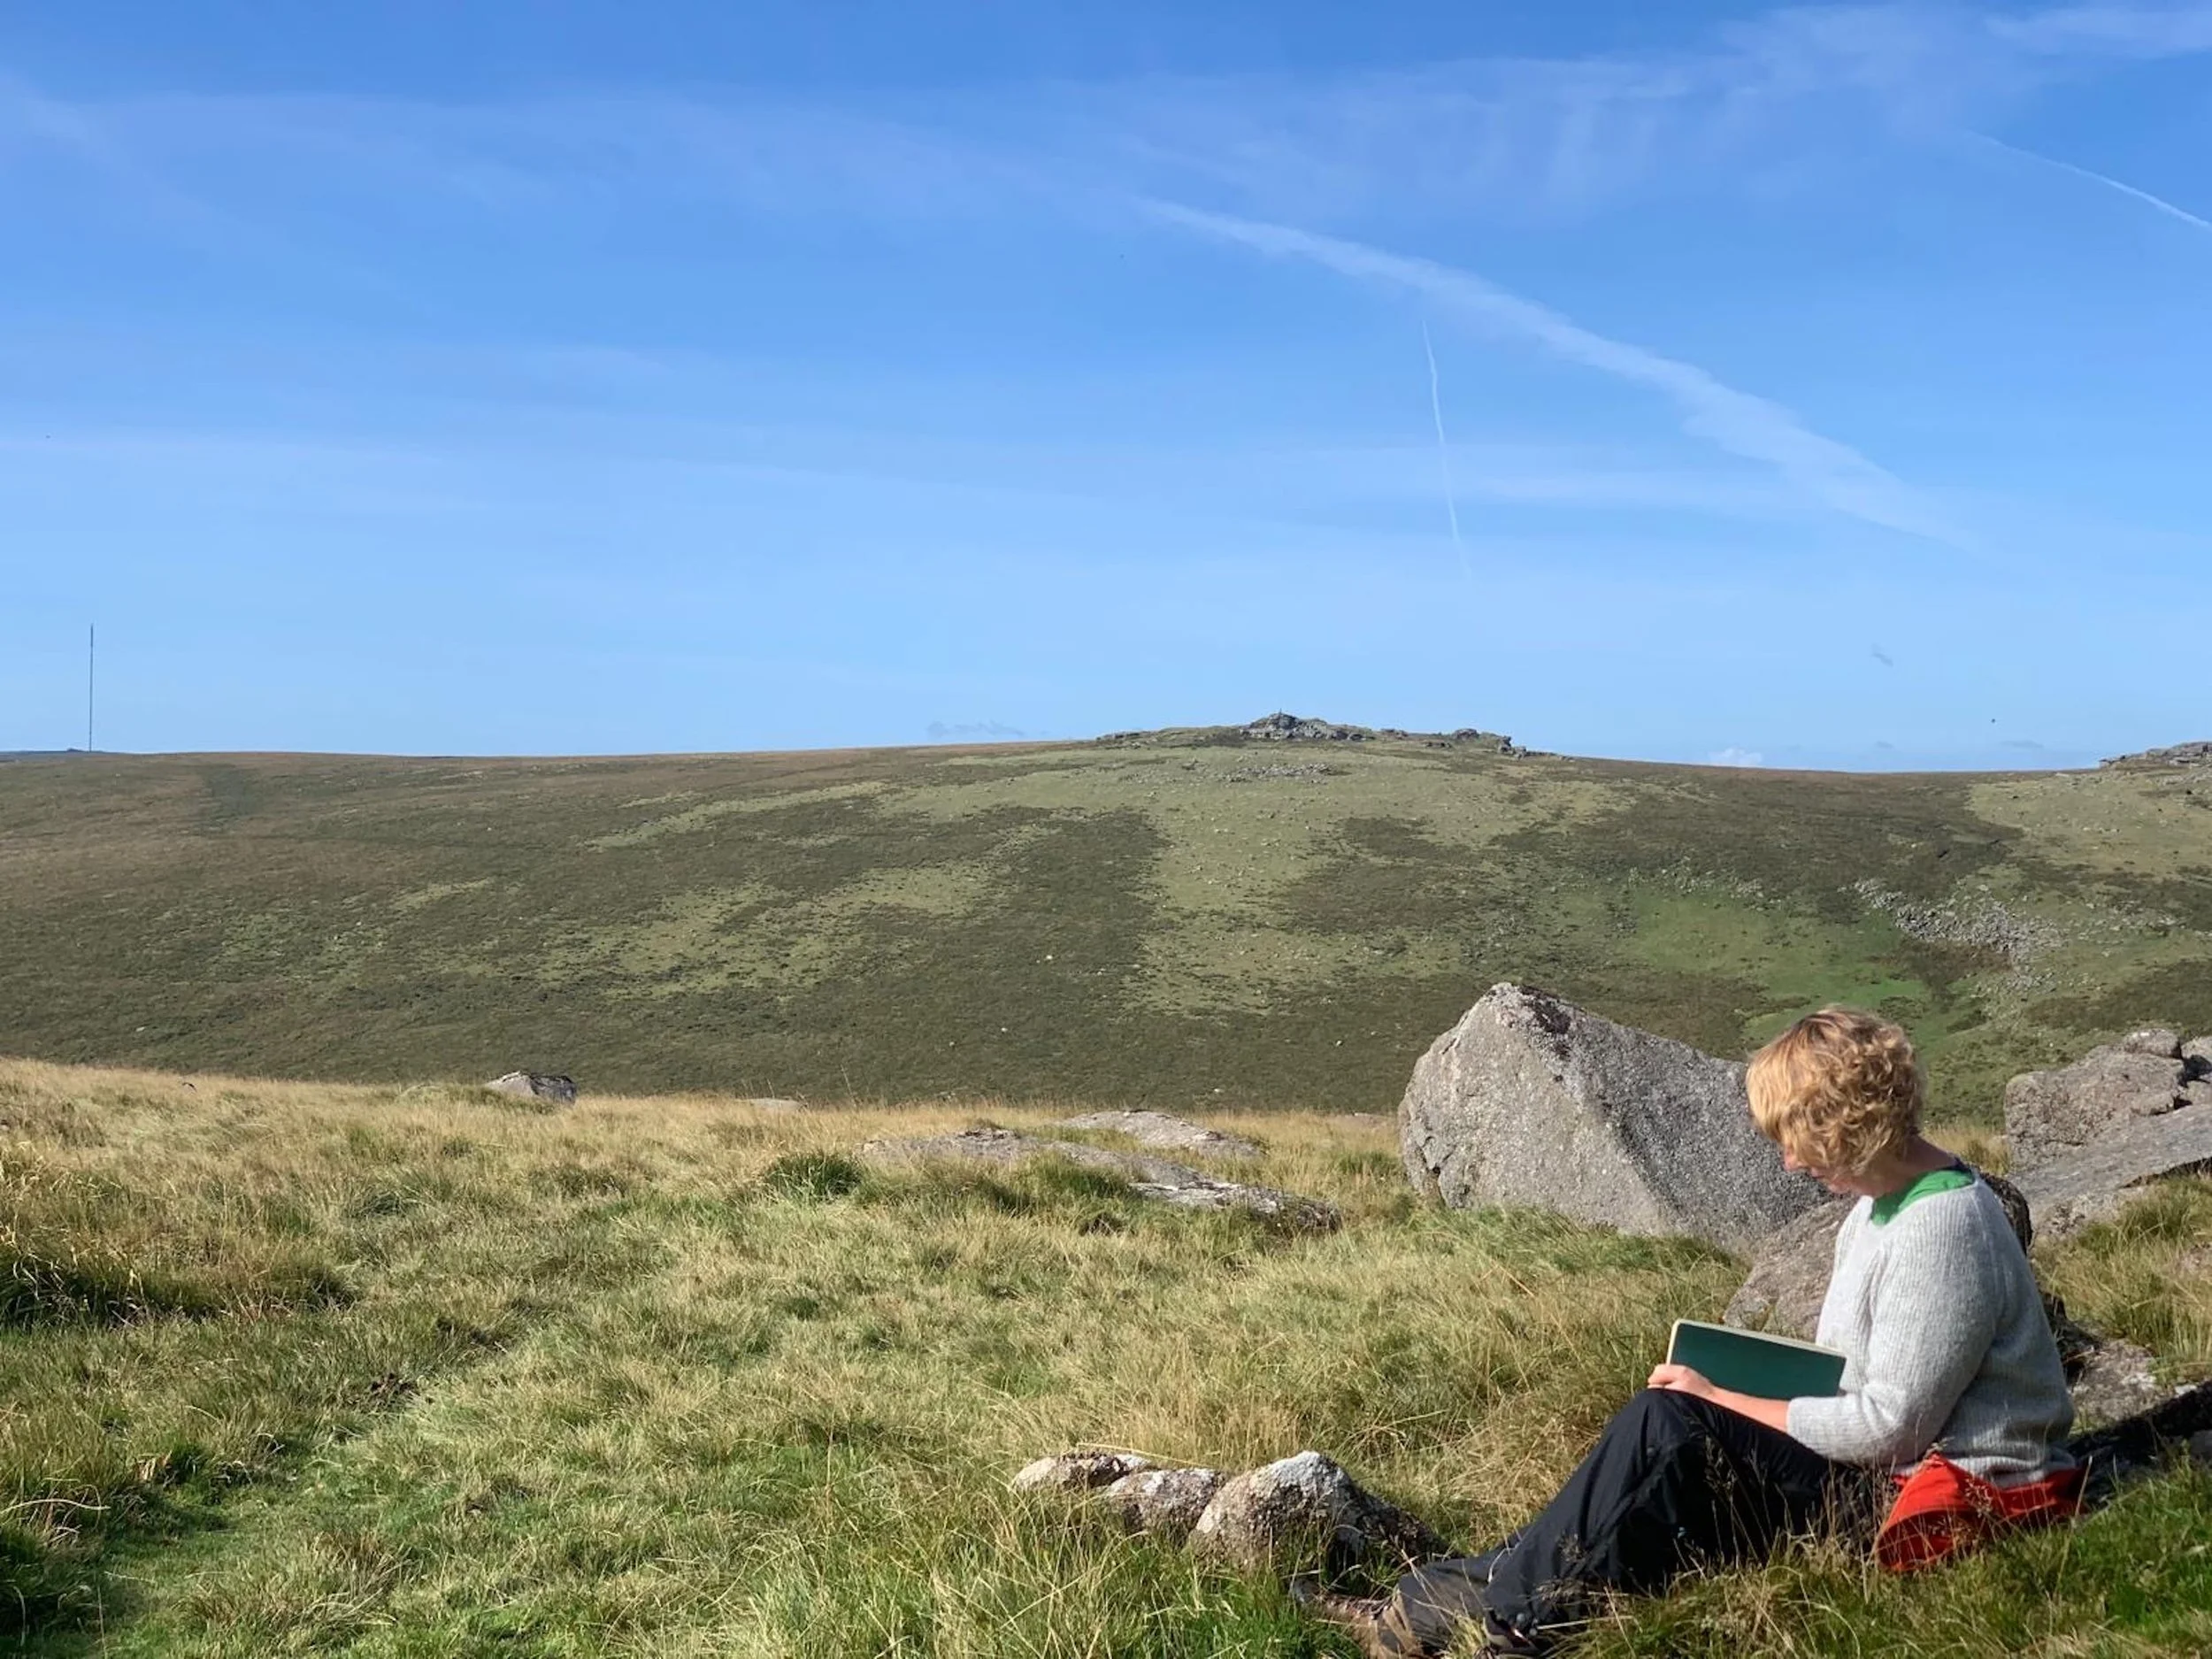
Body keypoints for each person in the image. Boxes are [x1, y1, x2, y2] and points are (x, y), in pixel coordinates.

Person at [1302, 1008, 2077, 1656]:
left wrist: (1726, 1396)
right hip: (1885, 1471)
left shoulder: (1941, 1227)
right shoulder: (1883, 1206)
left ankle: (1503, 1628)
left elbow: (1890, 1428)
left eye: (1796, 1136)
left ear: (1846, 1127)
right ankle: (1444, 1604)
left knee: (1670, 1425)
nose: (1789, 1159)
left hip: (1935, 1497)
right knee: (1661, 1440)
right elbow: (1856, 1376)